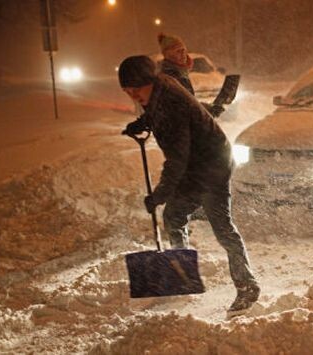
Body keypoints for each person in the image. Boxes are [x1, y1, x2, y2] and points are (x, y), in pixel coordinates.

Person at [118, 55, 260, 316]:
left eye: (136, 89)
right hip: (196, 163)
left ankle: (248, 286)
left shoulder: (170, 101)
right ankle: (180, 275)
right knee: (174, 215)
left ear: (148, 81)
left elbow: (177, 158)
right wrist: (141, 123)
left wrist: (160, 193)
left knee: (222, 227)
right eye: (128, 91)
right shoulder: (158, 89)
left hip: (212, 164)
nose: (133, 95)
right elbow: (154, 112)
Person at [157, 32, 225, 118]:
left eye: (183, 50)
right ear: (167, 54)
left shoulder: (179, 73)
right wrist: (207, 110)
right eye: (178, 51)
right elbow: (183, 107)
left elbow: (188, 101)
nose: (183, 54)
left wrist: (207, 108)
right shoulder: (170, 77)